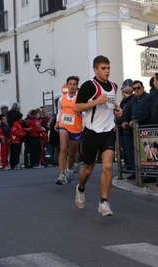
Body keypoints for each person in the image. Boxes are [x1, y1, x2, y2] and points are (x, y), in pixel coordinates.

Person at [74, 55, 123, 216]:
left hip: (108, 131)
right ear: (95, 70)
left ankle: (103, 202)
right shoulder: (90, 85)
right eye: (103, 68)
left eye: (108, 68)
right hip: (92, 132)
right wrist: (95, 102)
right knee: (87, 169)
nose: (107, 71)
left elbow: (110, 102)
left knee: (108, 166)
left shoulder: (114, 86)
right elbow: (77, 108)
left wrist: (117, 108)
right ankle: (80, 189)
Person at [117, 80, 153, 181]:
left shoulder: (147, 98)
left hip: (145, 130)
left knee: (147, 153)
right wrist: (124, 121)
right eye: (134, 88)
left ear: (143, 87)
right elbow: (127, 112)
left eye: (138, 87)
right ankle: (135, 172)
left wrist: (135, 120)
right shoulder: (133, 100)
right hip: (134, 131)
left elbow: (145, 113)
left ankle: (150, 176)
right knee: (133, 152)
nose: (136, 90)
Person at [55, 76, 83, 185]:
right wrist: (58, 122)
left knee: (72, 152)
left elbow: (85, 111)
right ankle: (61, 175)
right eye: (70, 84)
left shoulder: (80, 98)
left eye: (74, 84)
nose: (72, 86)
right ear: (67, 86)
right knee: (63, 149)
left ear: (77, 86)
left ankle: (69, 170)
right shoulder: (62, 99)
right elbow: (60, 110)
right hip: (64, 125)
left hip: (76, 127)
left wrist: (81, 113)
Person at [115, 83, 134, 175]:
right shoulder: (126, 101)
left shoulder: (128, 102)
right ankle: (130, 167)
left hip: (127, 129)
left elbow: (124, 115)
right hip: (124, 129)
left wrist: (118, 120)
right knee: (127, 151)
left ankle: (133, 169)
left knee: (129, 151)